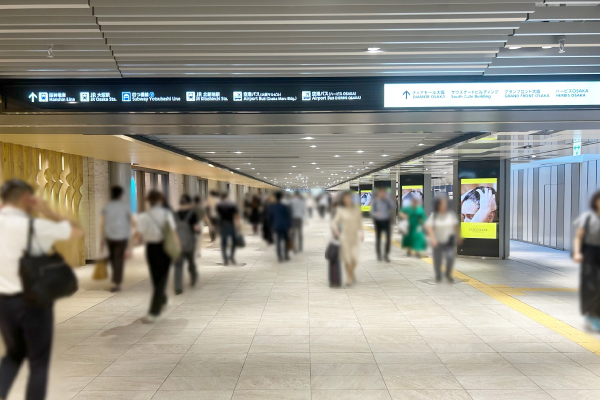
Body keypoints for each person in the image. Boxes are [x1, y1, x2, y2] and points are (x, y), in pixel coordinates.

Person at [0, 179, 83, 400]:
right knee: (38, 362)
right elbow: (76, 231)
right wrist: (47, 211)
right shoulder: (35, 226)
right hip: (34, 301)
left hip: (4, 303)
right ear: (28, 199)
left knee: (13, 355)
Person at [134, 190, 180, 323]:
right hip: (165, 248)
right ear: (160, 201)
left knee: (156, 277)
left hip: (151, 249)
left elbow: (138, 234)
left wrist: (129, 247)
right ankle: (163, 299)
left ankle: (154, 310)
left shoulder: (144, 216)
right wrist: (178, 249)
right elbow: (173, 233)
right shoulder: (166, 214)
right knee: (161, 278)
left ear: (149, 201)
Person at [573, 190, 600, 332]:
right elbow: (579, 236)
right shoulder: (588, 217)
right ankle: (592, 315)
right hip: (590, 252)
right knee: (591, 284)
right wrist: (577, 253)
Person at [99, 186, 134, 292]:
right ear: (121, 195)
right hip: (122, 236)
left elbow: (102, 223)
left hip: (109, 236)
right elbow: (132, 221)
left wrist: (101, 238)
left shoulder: (107, 206)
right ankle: (115, 282)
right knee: (118, 259)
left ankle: (115, 280)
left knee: (113, 258)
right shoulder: (125, 206)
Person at [331, 191, 364, 285]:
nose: (348, 199)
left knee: (355, 259)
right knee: (347, 259)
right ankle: (349, 277)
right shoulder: (341, 210)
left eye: (350, 197)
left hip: (354, 238)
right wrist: (336, 231)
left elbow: (359, 222)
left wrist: (362, 232)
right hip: (345, 237)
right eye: (346, 198)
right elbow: (334, 222)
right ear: (343, 199)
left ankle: (351, 273)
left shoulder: (356, 210)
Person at [426, 195, 460, 283]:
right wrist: (433, 238)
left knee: (450, 257)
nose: (444, 206)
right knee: (438, 259)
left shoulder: (451, 214)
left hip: (449, 240)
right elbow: (429, 227)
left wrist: (458, 236)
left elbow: (455, 226)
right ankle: (438, 275)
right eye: (442, 204)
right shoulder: (434, 215)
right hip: (438, 240)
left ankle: (448, 274)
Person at [174, 195, 199, 294]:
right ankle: (193, 276)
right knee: (191, 262)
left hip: (178, 244)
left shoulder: (175, 215)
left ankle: (178, 287)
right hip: (189, 243)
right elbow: (196, 228)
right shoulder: (192, 215)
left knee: (178, 265)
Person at [371, 187, 396, 262]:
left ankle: (386, 255)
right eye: (381, 193)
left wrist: (388, 199)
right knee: (378, 239)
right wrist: (375, 214)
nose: (382, 194)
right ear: (378, 193)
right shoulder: (375, 201)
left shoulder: (387, 201)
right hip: (378, 222)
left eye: (383, 193)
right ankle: (379, 254)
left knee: (388, 238)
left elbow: (394, 206)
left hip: (386, 221)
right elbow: (371, 212)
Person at [217, 191, 240, 266]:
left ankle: (225, 259)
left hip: (223, 225)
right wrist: (238, 225)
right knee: (234, 241)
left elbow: (219, 215)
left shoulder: (219, 205)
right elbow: (236, 216)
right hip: (231, 225)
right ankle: (232, 256)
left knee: (224, 243)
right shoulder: (232, 205)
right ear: (227, 196)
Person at [269, 191, 292, 262]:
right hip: (285, 226)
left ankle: (279, 257)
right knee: (286, 240)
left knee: (278, 241)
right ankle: (286, 255)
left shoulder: (272, 207)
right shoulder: (284, 207)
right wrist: (290, 226)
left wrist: (271, 226)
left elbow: (270, 218)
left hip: (276, 226)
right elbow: (288, 217)